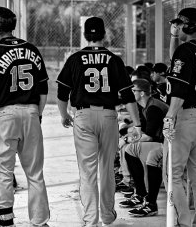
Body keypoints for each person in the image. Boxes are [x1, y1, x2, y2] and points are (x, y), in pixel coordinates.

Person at [56, 16, 142, 227]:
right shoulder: (113, 59)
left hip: (83, 116)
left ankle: (90, 220)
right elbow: (128, 95)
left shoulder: (75, 59)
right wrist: (138, 124)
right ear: (103, 35)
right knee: (106, 169)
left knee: (87, 171)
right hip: (108, 116)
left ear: (85, 36)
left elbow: (61, 92)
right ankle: (107, 215)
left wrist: (64, 115)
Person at [0, 6, 50, 227]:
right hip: (31, 112)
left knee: (4, 172)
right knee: (35, 172)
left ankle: (7, 222)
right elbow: (43, 91)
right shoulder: (32, 50)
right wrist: (37, 114)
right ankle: (40, 222)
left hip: (5, 116)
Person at [163, 7, 196, 227]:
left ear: (190, 26)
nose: (177, 27)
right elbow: (176, 63)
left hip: (185, 115)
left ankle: (183, 222)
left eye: (180, 24)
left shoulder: (186, 51)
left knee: (172, 174)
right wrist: (174, 36)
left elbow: (179, 89)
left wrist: (170, 116)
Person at [118, 78, 168, 217]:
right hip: (160, 142)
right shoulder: (144, 106)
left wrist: (128, 139)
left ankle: (150, 202)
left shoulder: (153, 107)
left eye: (134, 90)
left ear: (142, 93)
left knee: (132, 149)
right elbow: (142, 131)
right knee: (129, 150)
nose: (131, 92)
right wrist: (127, 137)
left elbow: (150, 136)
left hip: (167, 144)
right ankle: (140, 194)